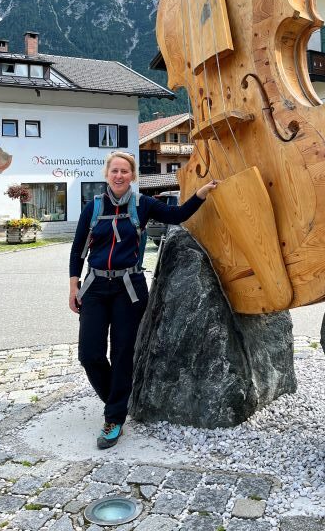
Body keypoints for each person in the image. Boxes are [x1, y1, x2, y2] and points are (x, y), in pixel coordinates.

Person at [69, 150, 217, 449]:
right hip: (95, 286)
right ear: (107, 174)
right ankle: (118, 402)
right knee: (90, 354)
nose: (120, 176)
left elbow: (177, 216)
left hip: (129, 288)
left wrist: (200, 193)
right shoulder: (93, 207)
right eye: (115, 171)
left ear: (133, 176)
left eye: (125, 171)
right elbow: (77, 250)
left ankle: (114, 418)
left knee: (123, 354)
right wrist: (74, 285)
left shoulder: (143, 204)